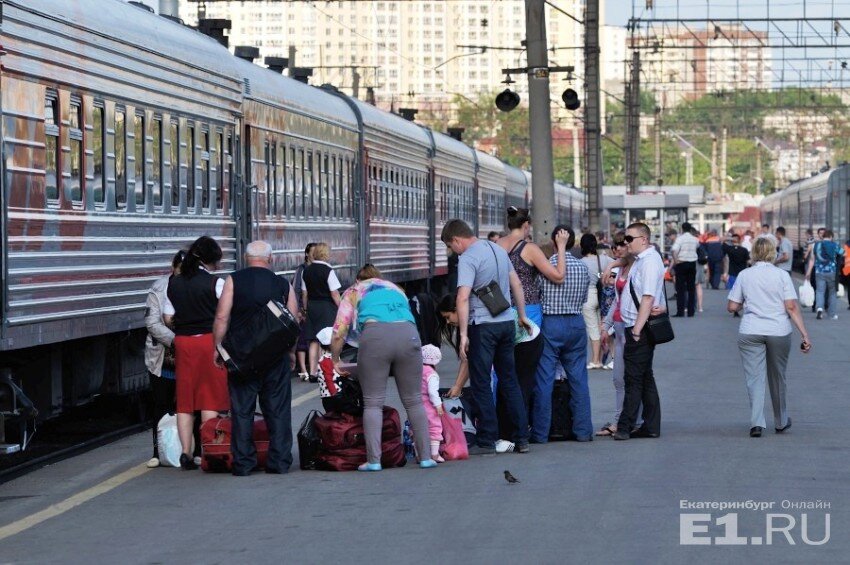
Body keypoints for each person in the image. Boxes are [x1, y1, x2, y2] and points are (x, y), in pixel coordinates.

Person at [330, 264, 436, 471]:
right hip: (409, 335)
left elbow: (339, 331)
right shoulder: (396, 289)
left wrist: (335, 359)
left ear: (358, 279)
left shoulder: (353, 291)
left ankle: (374, 460)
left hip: (375, 337)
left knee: (373, 403)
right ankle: (425, 457)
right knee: (414, 401)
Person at [440, 218, 532, 455]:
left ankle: (488, 438)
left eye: (451, 246)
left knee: (481, 383)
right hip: (505, 323)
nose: (453, 251)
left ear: (457, 240)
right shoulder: (499, 250)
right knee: (509, 381)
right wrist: (521, 315)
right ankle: (521, 437)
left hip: (483, 326)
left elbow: (462, 298)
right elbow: (517, 285)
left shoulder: (468, 257)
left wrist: (463, 334)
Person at [212, 241, 298, 476]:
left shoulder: (234, 280)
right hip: (275, 358)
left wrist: (218, 349)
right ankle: (279, 462)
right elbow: (292, 322)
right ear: (270, 258)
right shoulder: (282, 283)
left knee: (241, 412)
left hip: (242, 358)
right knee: (278, 410)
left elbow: (221, 317)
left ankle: (244, 463)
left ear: (245, 257)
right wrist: (291, 353)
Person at [495, 206, 568, 442]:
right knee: (526, 372)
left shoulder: (496, 247)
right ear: (526, 225)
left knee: (501, 370)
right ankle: (522, 426)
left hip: (500, 311)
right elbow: (557, 276)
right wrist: (562, 249)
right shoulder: (530, 248)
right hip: (529, 313)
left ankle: (499, 426)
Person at [727, 238, 811, 437]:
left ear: (754, 253)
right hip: (778, 331)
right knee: (777, 377)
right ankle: (781, 421)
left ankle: (757, 423)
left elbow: (732, 306)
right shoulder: (782, 275)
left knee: (754, 378)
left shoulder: (744, 275)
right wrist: (804, 335)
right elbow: (791, 307)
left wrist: (743, 304)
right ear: (773, 253)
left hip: (750, 330)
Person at [163, 236, 229, 469]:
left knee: (186, 399)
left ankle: (185, 453)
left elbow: (167, 317)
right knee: (209, 397)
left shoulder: (174, 283)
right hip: (208, 342)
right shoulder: (216, 283)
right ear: (211, 260)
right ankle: (207, 449)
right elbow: (224, 315)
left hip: (183, 343)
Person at [530, 225, 593, 443]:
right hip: (576, 323)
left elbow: (537, 294)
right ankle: (583, 431)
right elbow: (585, 298)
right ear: (573, 242)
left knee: (544, 379)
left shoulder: (546, 266)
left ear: (552, 241)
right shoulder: (583, 268)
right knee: (579, 380)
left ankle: (540, 433)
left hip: (551, 323)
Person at [613, 223, 666, 441]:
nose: (626, 243)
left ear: (643, 239)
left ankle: (625, 426)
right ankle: (651, 426)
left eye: (629, 238)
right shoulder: (641, 261)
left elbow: (647, 297)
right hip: (635, 325)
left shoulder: (650, 262)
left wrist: (636, 328)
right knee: (645, 378)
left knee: (633, 379)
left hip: (638, 328)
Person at [144, 250, 184, 468]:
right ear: (173, 267)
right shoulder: (159, 289)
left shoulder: (193, 288)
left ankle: (190, 450)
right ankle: (158, 452)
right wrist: (177, 341)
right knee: (161, 405)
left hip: (188, 358)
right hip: (162, 358)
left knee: (189, 407)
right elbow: (152, 322)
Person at [598, 233, 636, 436]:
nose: (619, 248)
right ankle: (619, 420)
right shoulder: (621, 267)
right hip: (620, 326)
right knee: (618, 378)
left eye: (622, 245)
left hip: (633, 327)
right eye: (616, 246)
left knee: (634, 378)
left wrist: (610, 265)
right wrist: (605, 325)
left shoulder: (638, 265)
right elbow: (616, 300)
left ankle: (631, 420)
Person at [303, 242, 342, 377]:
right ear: (325, 254)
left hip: (312, 306)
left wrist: (305, 308)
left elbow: (305, 293)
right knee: (327, 339)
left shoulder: (306, 270)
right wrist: (342, 308)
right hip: (326, 307)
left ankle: (313, 372)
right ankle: (326, 370)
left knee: (313, 340)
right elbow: (335, 293)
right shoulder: (328, 270)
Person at [579, 233, 613, 369]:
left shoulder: (581, 262)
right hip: (604, 294)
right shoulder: (605, 259)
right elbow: (617, 265)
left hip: (588, 295)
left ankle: (595, 360)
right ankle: (604, 356)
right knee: (603, 326)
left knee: (593, 328)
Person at [806, 229, 844, 320]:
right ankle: (832, 314)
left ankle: (819, 309)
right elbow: (844, 253)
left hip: (819, 272)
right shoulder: (835, 245)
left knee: (819, 291)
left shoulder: (817, 245)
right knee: (832, 293)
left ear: (823, 236)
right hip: (832, 272)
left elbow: (812, 258)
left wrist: (808, 271)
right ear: (831, 237)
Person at [293, 242, 316, 381]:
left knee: (314, 339)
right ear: (306, 253)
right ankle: (302, 369)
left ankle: (313, 367)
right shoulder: (301, 270)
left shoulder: (319, 268)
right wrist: (298, 309)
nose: (314, 254)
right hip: (303, 308)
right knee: (302, 339)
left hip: (314, 308)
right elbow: (296, 290)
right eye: (312, 251)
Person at [420, 344, 445, 463]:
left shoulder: (416, 371)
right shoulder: (432, 374)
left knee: (418, 429)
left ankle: (419, 454)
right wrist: (438, 405)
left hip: (416, 405)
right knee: (435, 428)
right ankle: (434, 454)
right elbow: (432, 391)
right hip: (429, 406)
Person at [669, 221, 699, 317]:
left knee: (680, 288)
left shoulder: (680, 239)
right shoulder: (695, 239)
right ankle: (691, 311)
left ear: (682, 229)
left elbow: (674, 249)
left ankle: (680, 311)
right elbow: (697, 247)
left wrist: (676, 260)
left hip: (681, 264)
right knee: (691, 288)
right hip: (692, 264)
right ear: (690, 229)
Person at [722, 233, 750, 318]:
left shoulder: (729, 249)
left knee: (734, 293)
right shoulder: (744, 250)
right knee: (743, 292)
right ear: (740, 240)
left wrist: (730, 239)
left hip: (732, 274)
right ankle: (741, 308)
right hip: (743, 274)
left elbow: (722, 240)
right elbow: (749, 261)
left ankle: (735, 310)